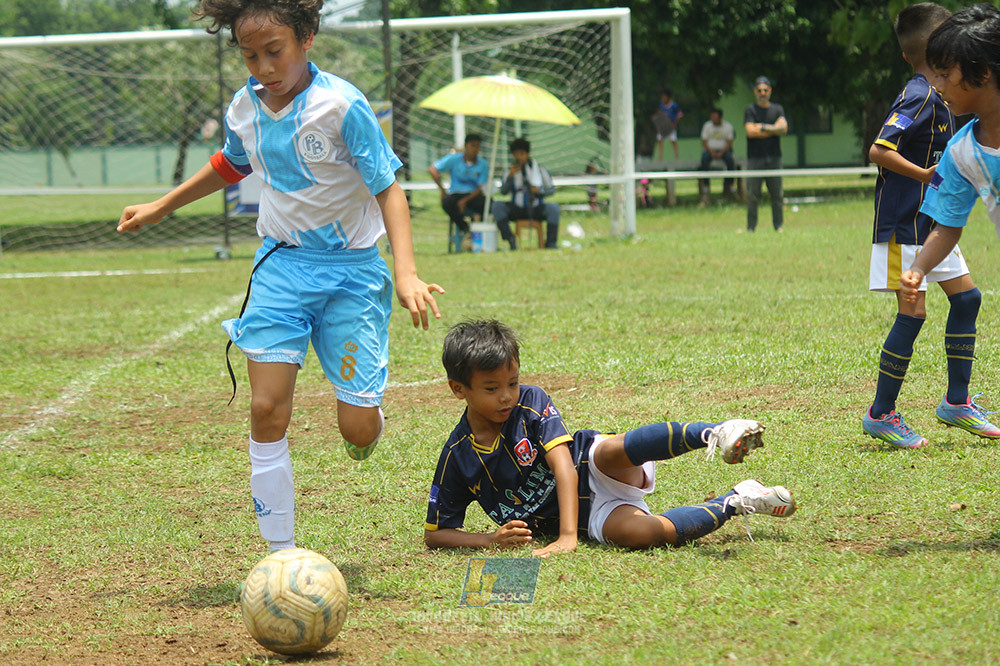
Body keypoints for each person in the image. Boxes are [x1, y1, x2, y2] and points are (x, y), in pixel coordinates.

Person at [116, 0, 444, 552]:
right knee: (266, 408)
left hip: (351, 275)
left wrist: (406, 272)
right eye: (251, 56)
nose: (265, 67)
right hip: (281, 268)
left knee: (357, 430)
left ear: (306, 36)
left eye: (275, 51)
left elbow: (388, 189)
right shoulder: (245, 107)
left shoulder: (341, 106)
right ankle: (279, 555)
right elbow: (231, 162)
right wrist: (162, 206)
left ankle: (368, 421)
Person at [424, 320, 796, 556]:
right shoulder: (458, 455)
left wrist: (567, 537)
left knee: (612, 452)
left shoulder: (530, 402)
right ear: (459, 389)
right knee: (641, 534)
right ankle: (736, 500)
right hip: (590, 516)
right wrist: (489, 540)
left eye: (512, 382)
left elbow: (564, 468)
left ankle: (714, 432)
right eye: (492, 388)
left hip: (587, 467)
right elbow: (438, 534)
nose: (507, 396)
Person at [862, 3, 994, 448]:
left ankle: (956, 402)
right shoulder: (918, 94)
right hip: (904, 225)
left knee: (968, 299)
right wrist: (925, 174)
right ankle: (881, 413)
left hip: (934, 224)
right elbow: (879, 149)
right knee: (912, 313)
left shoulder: (948, 96)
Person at [900, 3, 1000, 441]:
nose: (936, 85)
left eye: (943, 74)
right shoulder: (961, 152)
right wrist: (919, 268)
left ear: (981, 72)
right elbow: (947, 224)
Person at [491, 138, 560, 250]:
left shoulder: (539, 170)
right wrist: (511, 177)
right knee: (497, 206)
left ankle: (551, 243)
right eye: (516, 154)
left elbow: (551, 190)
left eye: (522, 154)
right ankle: (510, 239)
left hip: (536, 207)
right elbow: (503, 192)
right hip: (517, 208)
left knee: (553, 208)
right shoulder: (510, 171)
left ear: (527, 154)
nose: (519, 157)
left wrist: (539, 191)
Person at [428, 133, 489, 252]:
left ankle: (479, 235)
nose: (475, 149)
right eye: (473, 145)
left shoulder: (483, 164)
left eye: (478, 146)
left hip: (474, 196)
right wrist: (442, 190)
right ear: (466, 146)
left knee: (488, 204)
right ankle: (465, 229)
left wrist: (464, 201)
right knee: (447, 203)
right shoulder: (454, 159)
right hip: (456, 195)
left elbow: (481, 187)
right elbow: (432, 169)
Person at [743, 76, 787, 233]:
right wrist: (773, 129)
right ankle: (751, 227)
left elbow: (784, 129)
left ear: (770, 91)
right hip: (755, 159)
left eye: (765, 90)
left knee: (777, 195)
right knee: (752, 195)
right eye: (759, 90)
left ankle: (778, 226)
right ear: (755, 92)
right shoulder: (750, 110)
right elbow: (750, 132)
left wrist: (761, 127)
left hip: (774, 158)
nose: (762, 93)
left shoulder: (778, 109)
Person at [698, 108, 737, 204]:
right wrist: (712, 152)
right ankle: (706, 186)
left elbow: (729, 142)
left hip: (724, 150)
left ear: (720, 118)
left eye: (715, 117)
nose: (713, 119)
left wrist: (721, 152)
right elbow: (704, 141)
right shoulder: (707, 126)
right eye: (712, 117)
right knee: (704, 159)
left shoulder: (727, 126)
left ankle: (730, 185)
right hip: (710, 150)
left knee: (730, 160)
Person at [652, 88, 683, 161]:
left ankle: (677, 157)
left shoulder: (674, 105)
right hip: (663, 126)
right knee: (659, 140)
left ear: (668, 97)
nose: (663, 98)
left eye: (664, 96)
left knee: (673, 141)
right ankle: (660, 157)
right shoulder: (661, 105)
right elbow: (660, 113)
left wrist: (675, 123)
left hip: (671, 126)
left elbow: (680, 114)